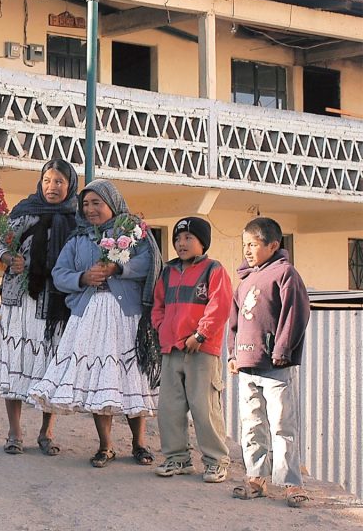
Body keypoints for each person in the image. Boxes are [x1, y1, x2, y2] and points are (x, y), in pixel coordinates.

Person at [28, 179, 161, 468]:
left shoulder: (133, 232)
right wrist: (83, 278)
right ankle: (106, 446)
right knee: (102, 378)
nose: (90, 209)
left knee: (129, 375)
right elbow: (60, 273)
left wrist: (118, 267)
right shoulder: (78, 239)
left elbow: (148, 263)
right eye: (85, 204)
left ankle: (139, 443)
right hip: (90, 315)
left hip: (126, 314)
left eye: (96, 203)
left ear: (111, 203)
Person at [0, 159, 78, 455]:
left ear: (70, 185)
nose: (52, 187)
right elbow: (2, 243)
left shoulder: (76, 219)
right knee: (16, 362)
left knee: (49, 364)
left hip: (54, 302)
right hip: (20, 301)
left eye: (59, 182)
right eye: (47, 181)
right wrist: (7, 259)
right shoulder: (23, 212)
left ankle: (46, 432)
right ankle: (14, 433)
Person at [228, 217, 311, 508]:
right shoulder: (245, 279)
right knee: (251, 424)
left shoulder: (285, 274)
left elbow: (296, 314)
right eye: (244, 245)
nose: (247, 250)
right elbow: (234, 321)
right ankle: (256, 478)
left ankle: (291, 483)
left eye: (253, 244)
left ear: (273, 245)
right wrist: (232, 354)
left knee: (281, 424)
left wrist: (283, 350)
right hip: (247, 364)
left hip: (275, 365)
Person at [151, 217, 232, 483]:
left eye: (188, 238)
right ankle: (178, 458)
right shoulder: (168, 271)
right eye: (177, 238)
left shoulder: (213, 270)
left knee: (204, 406)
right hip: (171, 349)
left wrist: (200, 334)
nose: (181, 243)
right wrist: (162, 329)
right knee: (169, 407)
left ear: (202, 242)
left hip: (201, 350)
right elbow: (158, 306)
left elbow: (219, 306)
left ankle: (216, 461)